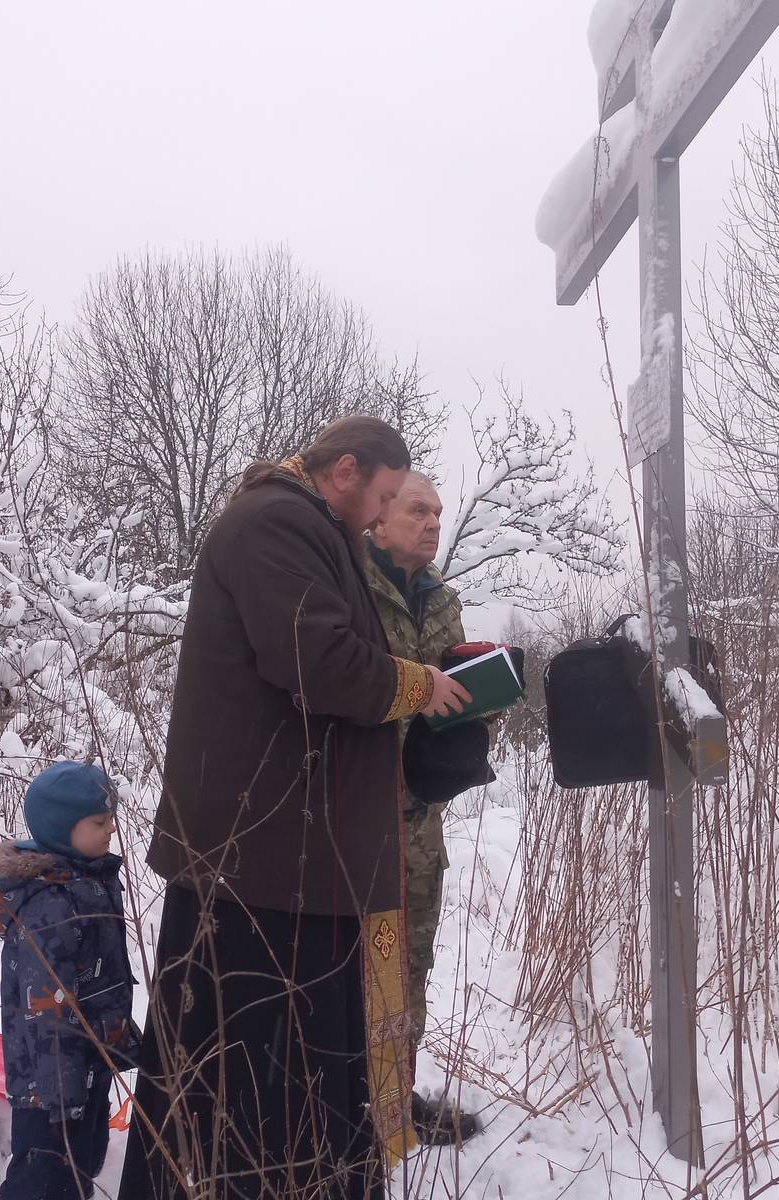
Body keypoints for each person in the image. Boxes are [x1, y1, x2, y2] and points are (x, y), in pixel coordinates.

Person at [118, 415, 471, 1200]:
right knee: (254, 1067)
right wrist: (418, 684)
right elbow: (321, 661)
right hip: (260, 863)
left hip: (283, 859)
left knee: (274, 1072)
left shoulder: (306, 526)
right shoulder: (275, 523)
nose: (383, 516)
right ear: (344, 471)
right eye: (382, 497)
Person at [366, 471, 484, 1145]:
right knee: (350, 960)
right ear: (380, 518)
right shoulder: (349, 580)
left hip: (419, 812)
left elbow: (449, 688)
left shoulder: (441, 596)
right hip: (353, 809)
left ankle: (393, 1101)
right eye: (419, 510)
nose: (434, 522)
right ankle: (342, 1103)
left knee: (412, 961)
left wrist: (479, 694)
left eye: (439, 512)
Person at [0, 761, 141, 1200]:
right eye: (99, 821)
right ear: (62, 830)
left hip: (86, 1066)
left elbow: (102, 977)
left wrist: (118, 1037)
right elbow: (46, 1010)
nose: (111, 828)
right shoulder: (51, 904)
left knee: (84, 1162)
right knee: (44, 1178)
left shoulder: (87, 880)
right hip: (52, 1083)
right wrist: (61, 1088)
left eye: (111, 818)